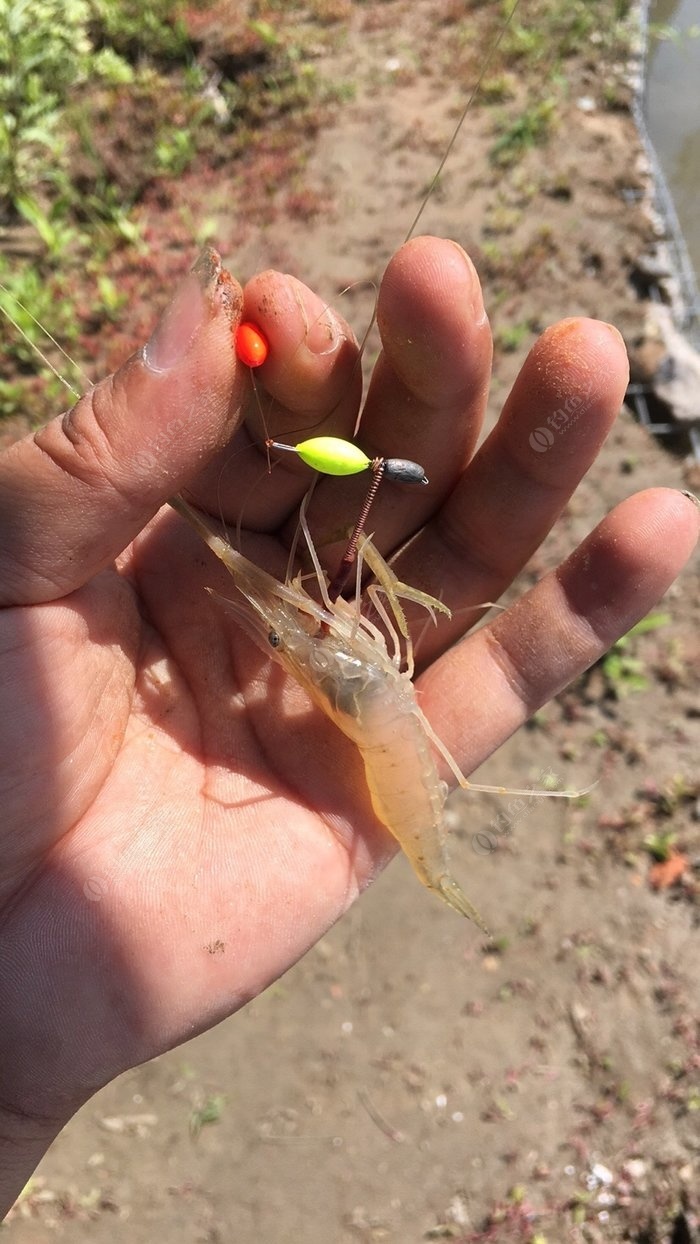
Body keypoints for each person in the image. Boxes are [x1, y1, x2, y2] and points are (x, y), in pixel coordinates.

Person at [0, 237, 697, 1217]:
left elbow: (347, 647)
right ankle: (439, 855)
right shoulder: (351, 648)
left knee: (333, 648)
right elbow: (356, 643)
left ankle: (441, 853)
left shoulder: (341, 652)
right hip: (381, 704)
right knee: (327, 642)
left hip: (382, 709)